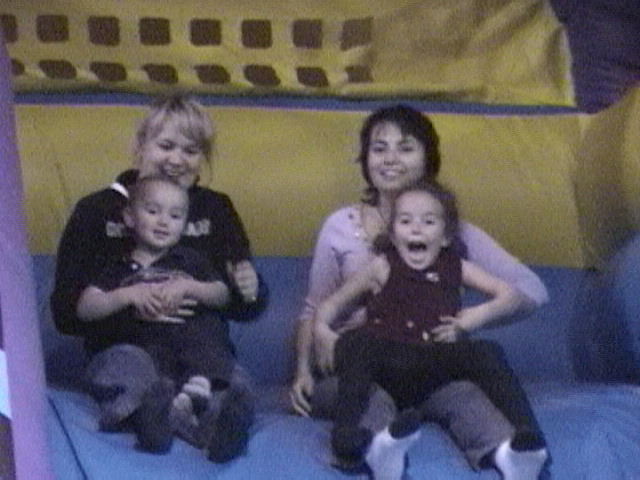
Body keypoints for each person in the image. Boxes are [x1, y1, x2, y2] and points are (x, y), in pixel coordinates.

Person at [289, 104, 549, 479]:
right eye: (379, 148)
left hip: (430, 362)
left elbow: (531, 290)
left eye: (406, 148)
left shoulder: (452, 233)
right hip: (363, 367)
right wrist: (306, 364)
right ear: (365, 159)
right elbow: (315, 308)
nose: (390, 159)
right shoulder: (341, 228)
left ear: (427, 158)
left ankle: (516, 455)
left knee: (465, 395)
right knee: (370, 396)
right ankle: (375, 450)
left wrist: (473, 319)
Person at [50, 95, 267, 457]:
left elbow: (241, 302)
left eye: (190, 151)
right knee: (134, 373)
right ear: (140, 146)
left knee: (232, 380)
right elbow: (66, 313)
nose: (176, 160)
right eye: (165, 146)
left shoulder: (216, 209)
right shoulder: (96, 210)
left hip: (198, 348)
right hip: (127, 346)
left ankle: (220, 427)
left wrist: (249, 287)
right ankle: (155, 419)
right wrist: (134, 305)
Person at [77, 175, 254, 460]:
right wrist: (128, 295)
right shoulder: (118, 265)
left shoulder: (190, 262)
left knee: (226, 370)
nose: (163, 222)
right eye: (152, 211)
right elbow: (85, 307)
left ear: (184, 224)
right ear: (129, 217)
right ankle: (150, 421)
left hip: (190, 360)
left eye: (175, 216)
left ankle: (220, 430)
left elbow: (222, 295)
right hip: (142, 354)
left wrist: (189, 287)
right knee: (123, 363)